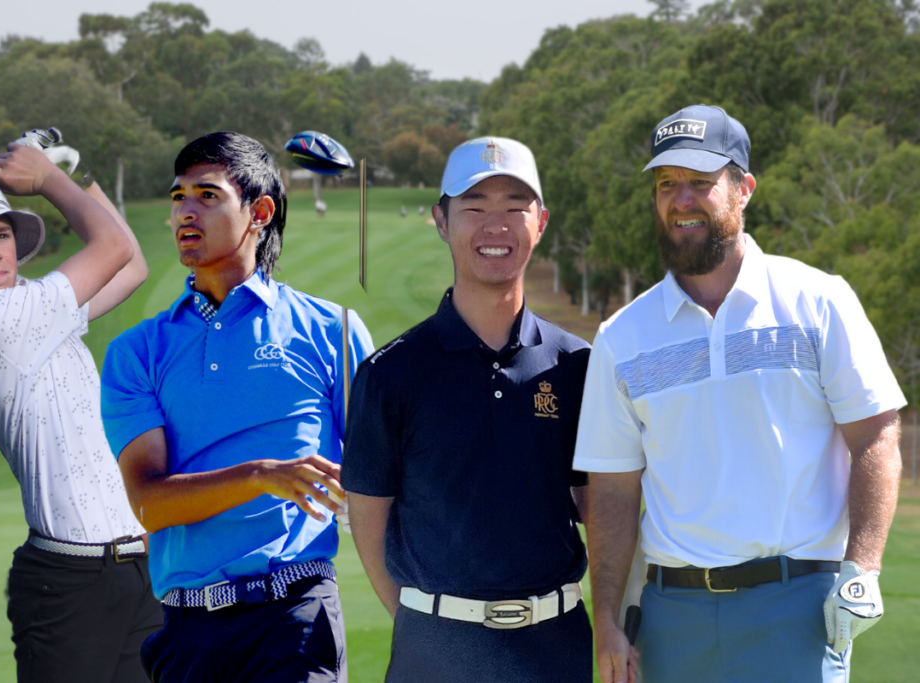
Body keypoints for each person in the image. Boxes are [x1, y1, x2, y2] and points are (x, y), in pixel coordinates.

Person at [574, 104, 905, 683]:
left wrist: (864, 566)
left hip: (799, 608)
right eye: (666, 184)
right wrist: (607, 618)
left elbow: (875, 434)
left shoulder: (818, 301)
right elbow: (613, 490)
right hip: (673, 618)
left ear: (744, 188)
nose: (681, 200)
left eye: (701, 183)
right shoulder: (621, 337)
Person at [100, 131, 374, 683]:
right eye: (178, 197)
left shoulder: (331, 331)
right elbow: (150, 504)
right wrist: (261, 475)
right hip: (187, 632)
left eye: (207, 195)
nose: (185, 211)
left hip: (296, 619)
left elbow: (383, 476)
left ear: (260, 212)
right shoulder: (136, 351)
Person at [0, 135, 158, 683]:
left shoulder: (35, 311)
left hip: (138, 567)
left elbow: (132, 265)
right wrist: (47, 181)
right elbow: (111, 247)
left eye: (0, 234)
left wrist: (69, 168)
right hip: (69, 582)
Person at [342, 137, 595, 683]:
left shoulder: (578, 365)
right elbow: (368, 520)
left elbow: (597, 504)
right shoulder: (391, 372)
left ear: (541, 222)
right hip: (435, 654)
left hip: (556, 649)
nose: (495, 227)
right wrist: (431, 622)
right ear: (441, 220)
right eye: (475, 208)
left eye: (514, 208)